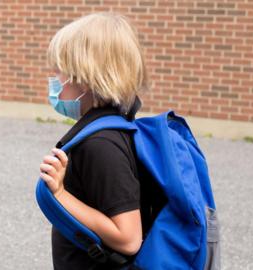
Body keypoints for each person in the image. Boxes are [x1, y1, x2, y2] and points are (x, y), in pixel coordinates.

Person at [38, 12, 165, 270]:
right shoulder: (107, 128)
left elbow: (128, 238)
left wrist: (61, 194)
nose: (55, 80)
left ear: (84, 77)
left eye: (59, 71)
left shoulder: (101, 145)